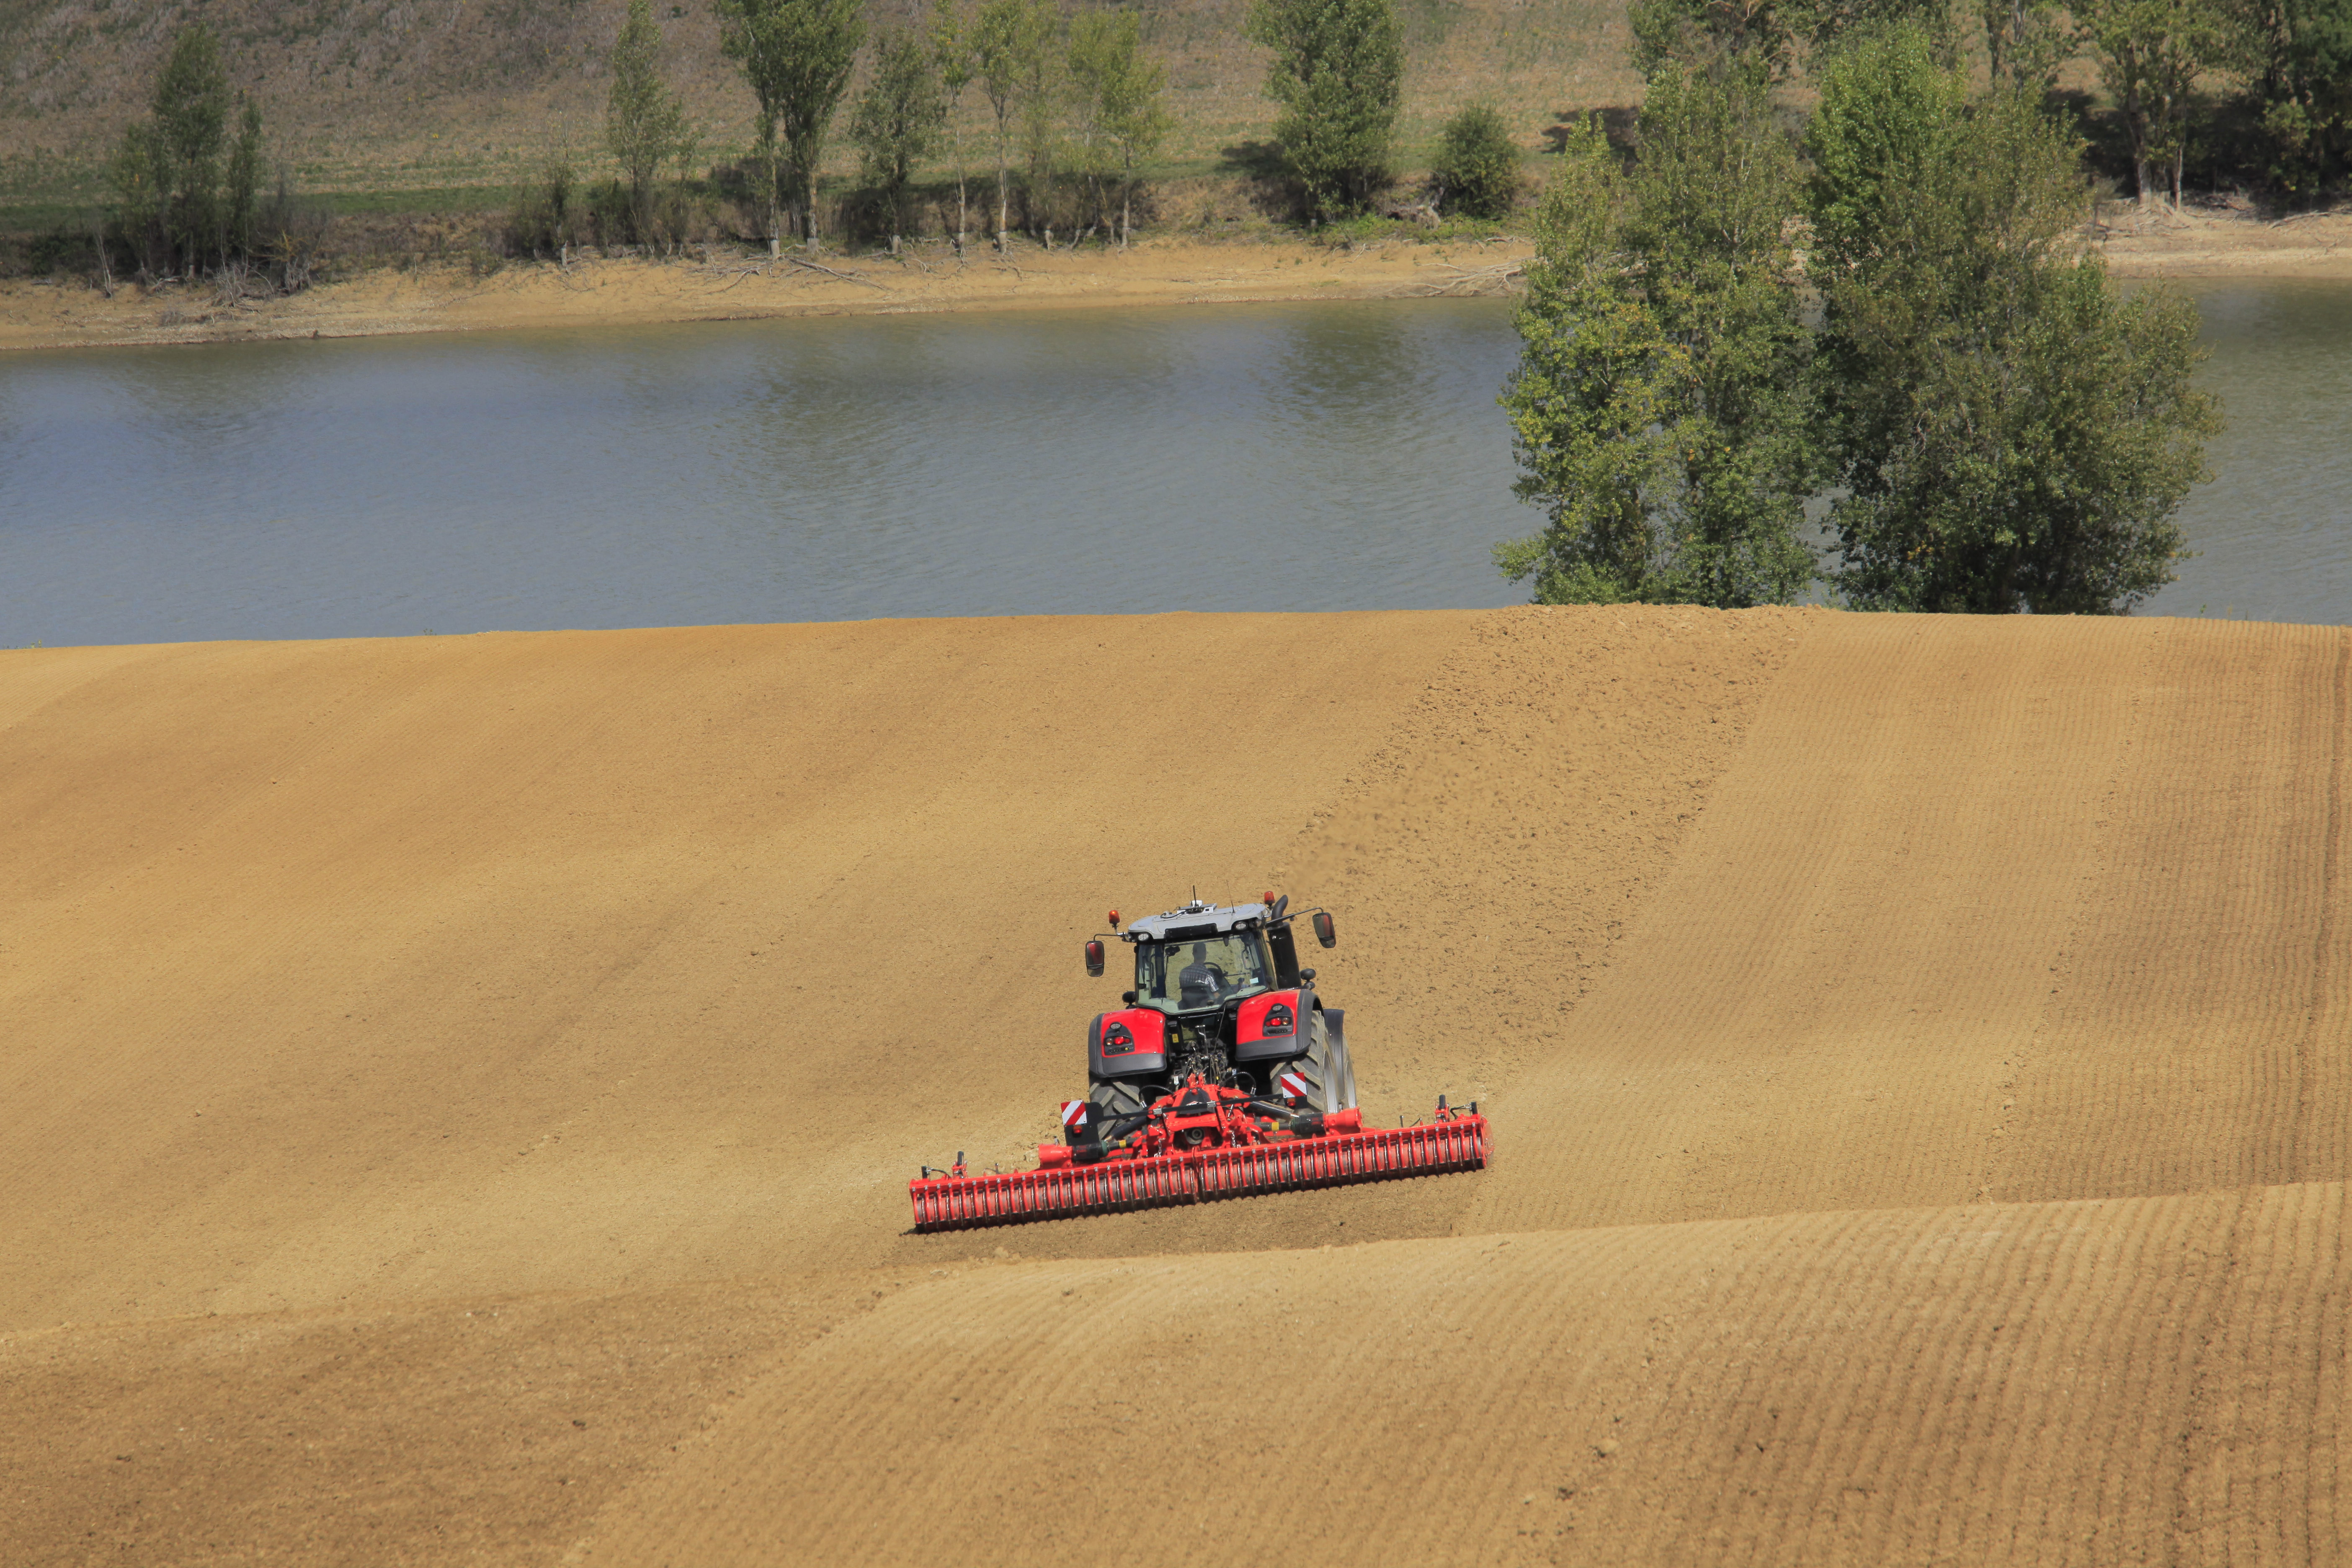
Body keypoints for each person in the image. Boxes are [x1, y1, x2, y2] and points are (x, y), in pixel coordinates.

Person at [1177, 942, 1228, 1008]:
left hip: (1189, 1008)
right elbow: (1216, 995)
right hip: (1205, 1009)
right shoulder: (1208, 975)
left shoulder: (1183, 973)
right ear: (1205, 954)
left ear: (1193, 954)